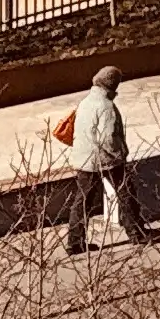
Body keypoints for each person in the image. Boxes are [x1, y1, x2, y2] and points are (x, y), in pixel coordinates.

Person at [56, 65, 151, 253]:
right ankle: (136, 233)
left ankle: (75, 243)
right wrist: (120, 155)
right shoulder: (106, 107)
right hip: (105, 159)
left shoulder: (86, 102)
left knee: (83, 201)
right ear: (114, 85)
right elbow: (107, 138)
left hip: (84, 159)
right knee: (126, 194)